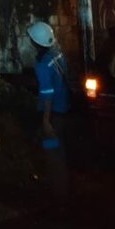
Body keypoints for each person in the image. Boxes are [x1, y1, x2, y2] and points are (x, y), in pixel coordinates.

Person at [26, 20, 71, 202]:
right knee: (60, 152)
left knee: (53, 154)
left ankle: (58, 197)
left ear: (35, 43)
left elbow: (47, 93)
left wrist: (46, 120)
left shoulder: (43, 65)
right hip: (63, 109)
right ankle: (62, 192)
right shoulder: (58, 55)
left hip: (53, 114)